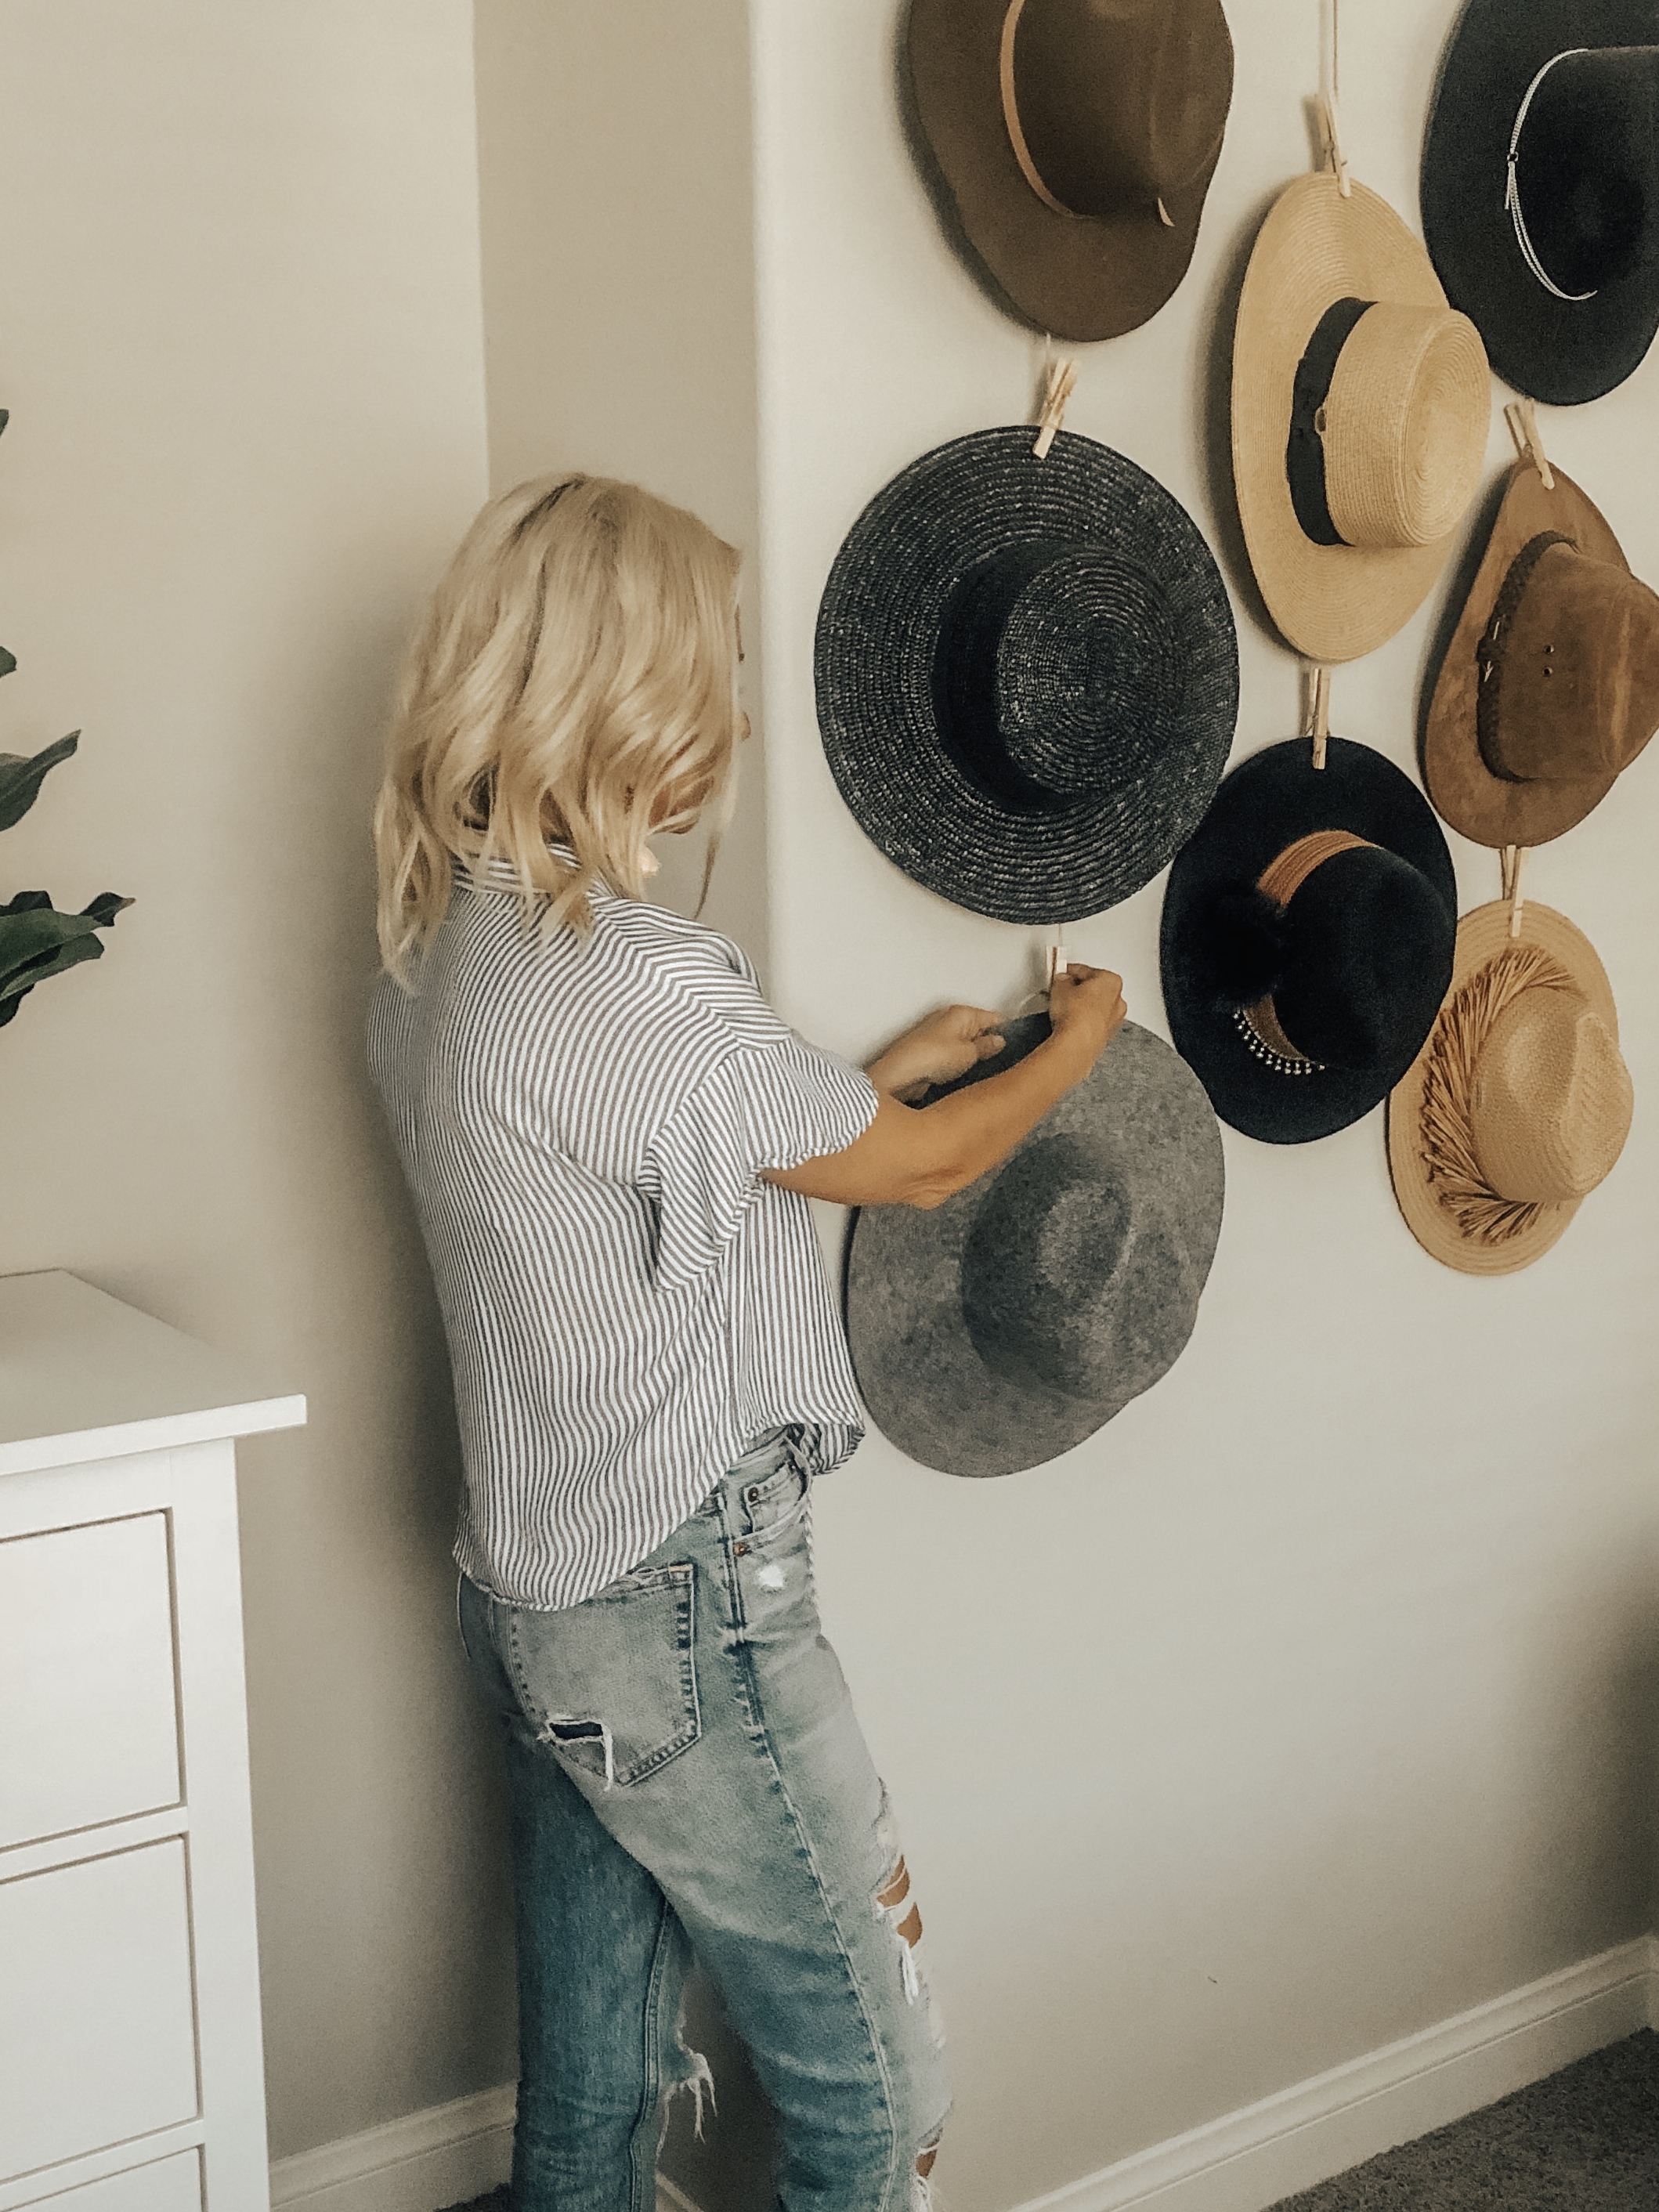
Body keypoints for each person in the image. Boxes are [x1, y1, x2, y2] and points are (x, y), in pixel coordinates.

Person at [367, 473, 1126, 2212]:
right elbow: (922, 1162)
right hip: (684, 1611)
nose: (730, 702)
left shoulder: (436, 955)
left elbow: (686, 1155)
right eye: (709, 658)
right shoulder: (637, 983)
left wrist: (883, 1067)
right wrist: (1080, 1037)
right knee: (877, 2084)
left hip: (538, 1597)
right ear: (620, 692)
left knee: (589, 2101)